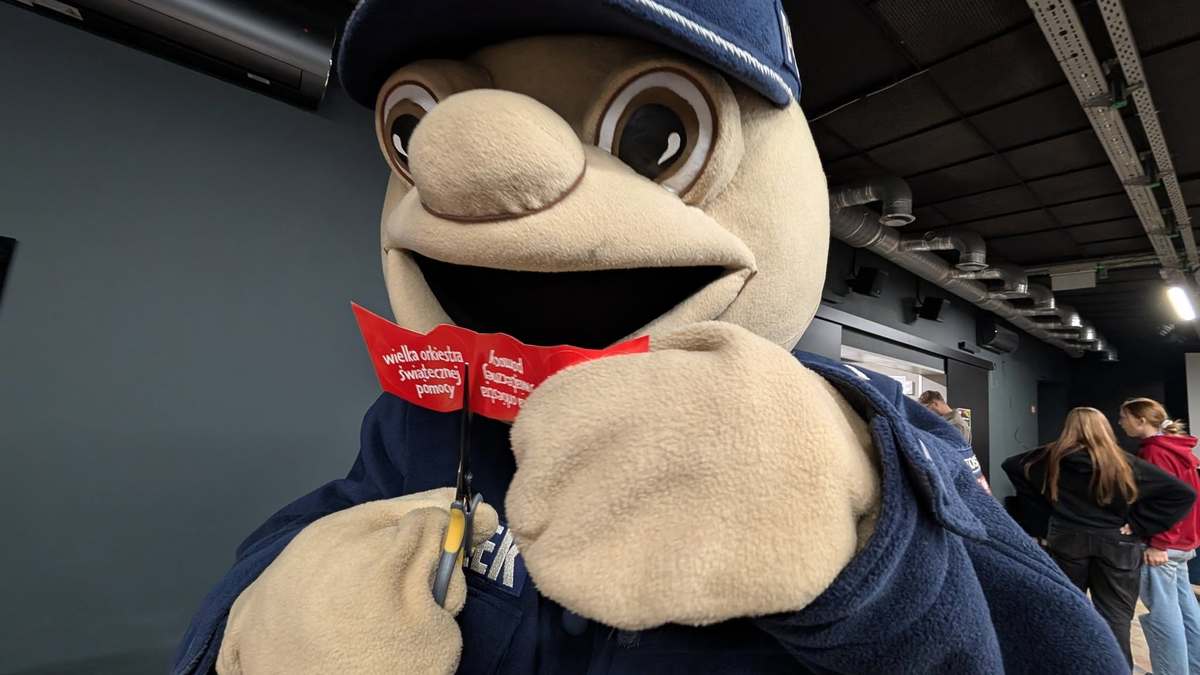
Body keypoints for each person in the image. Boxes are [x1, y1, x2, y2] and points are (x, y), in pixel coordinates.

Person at [1003, 407, 1196, 670]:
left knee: (1069, 611)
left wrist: (1041, 520)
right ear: (1105, 428)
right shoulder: (1124, 462)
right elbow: (1182, 494)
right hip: (1117, 545)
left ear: (1067, 429)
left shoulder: (1049, 458)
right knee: (1116, 619)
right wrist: (1140, 524)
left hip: (1067, 541)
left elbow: (1010, 465)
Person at [1119, 398, 1200, 675]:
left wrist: (1158, 543)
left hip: (1164, 547)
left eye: (1124, 417)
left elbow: (1165, 500)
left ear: (1141, 420)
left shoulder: (1155, 452)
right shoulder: (1177, 448)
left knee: (1164, 616)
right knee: (1186, 611)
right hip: (1182, 543)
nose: (1121, 423)